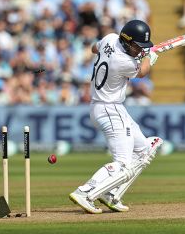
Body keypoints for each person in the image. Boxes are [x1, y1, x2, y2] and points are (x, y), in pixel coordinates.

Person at [69, 20, 163, 214]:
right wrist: (150, 57)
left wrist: (143, 53)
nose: (139, 50)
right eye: (137, 46)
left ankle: (110, 193)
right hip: (109, 109)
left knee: (145, 150)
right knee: (123, 163)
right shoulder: (124, 61)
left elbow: (96, 48)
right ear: (126, 41)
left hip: (108, 107)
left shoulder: (109, 38)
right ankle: (85, 192)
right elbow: (143, 72)